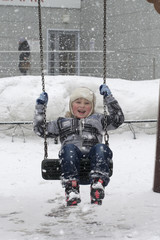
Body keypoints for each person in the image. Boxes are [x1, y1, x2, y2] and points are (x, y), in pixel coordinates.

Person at [34, 85, 124, 206]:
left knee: (101, 148)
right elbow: (40, 130)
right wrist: (40, 107)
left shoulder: (98, 119)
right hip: (71, 162)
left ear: (92, 107)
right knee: (69, 148)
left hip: (94, 160)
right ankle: (71, 188)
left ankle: (98, 184)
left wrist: (108, 98)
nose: (82, 106)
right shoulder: (62, 122)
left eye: (87, 103)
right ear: (71, 105)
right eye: (78, 102)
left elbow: (118, 119)